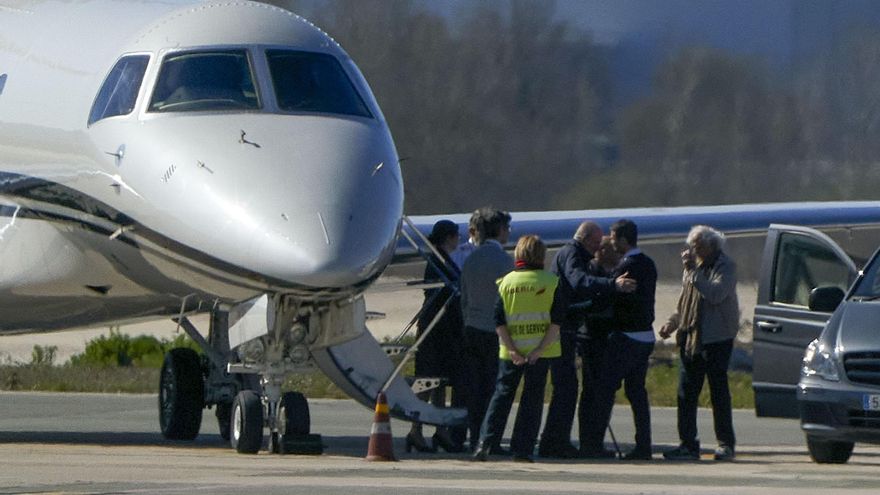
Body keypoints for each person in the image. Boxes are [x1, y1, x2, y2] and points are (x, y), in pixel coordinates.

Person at [538, 222, 636, 459]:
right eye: (595, 243)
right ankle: (554, 441)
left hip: (567, 328)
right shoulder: (572, 254)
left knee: (568, 387)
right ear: (586, 239)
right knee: (566, 387)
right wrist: (613, 285)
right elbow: (578, 281)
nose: (597, 248)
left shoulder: (575, 255)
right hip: (562, 329)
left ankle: (555, 440)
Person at [472, 235, 565, 463]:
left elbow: (498, 320)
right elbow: (556, 321)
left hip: (510, 351)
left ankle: (486, 443)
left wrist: (512, 349)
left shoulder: (506, 282)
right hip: (540, 352)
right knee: (532, 399)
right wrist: (539, 350)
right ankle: (522, 449)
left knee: (502, 396)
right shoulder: (552, 282)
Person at [660, 225, 740, 462]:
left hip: (716, 338)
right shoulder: (692, 269)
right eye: (692, 247)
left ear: (711, 246)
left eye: (699, 247)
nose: (694, 251)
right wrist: (672, 324)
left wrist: (694, 273)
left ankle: (725, 443)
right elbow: (686, 300)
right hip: (691, 337)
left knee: (718, 392)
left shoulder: (726, 266)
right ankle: (687, 444)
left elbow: (715, 294)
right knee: (686, 393)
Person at [581, 219, 657, 460]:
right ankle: (643, 444)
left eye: (614, 239)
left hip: (626, 337)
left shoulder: (628, 266)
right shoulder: (648, 263)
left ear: (624, 240)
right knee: (636, 392)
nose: (611, 245)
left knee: (604, 390)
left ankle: (593, 444)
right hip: (645, 336)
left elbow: (613, 297)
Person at [407, 220, 466, 453]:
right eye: (456, 236)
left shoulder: (438, 259)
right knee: (427, 382)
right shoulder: (438, 260)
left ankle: (439, 429)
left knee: (440, 381)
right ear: (449, 237)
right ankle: (416, 430)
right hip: (437, 326)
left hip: (442, 325)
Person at [460, 207, 514, 452]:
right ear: (500, 230)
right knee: (494, 389)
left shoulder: (470, 259)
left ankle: (474, 437)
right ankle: (489, 439)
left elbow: (465, 298)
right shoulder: (505, 262)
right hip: (494, 333)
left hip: (471, 327)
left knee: (474, 388)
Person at [577, 235, 622, 452]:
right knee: (592, 390)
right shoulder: (592, 271)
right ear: (602, 251)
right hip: (592, 338)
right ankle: (589, 440)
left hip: (608, 338)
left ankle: (596, 437)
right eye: (613, 249)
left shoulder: (615, 272)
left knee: (606, 391)